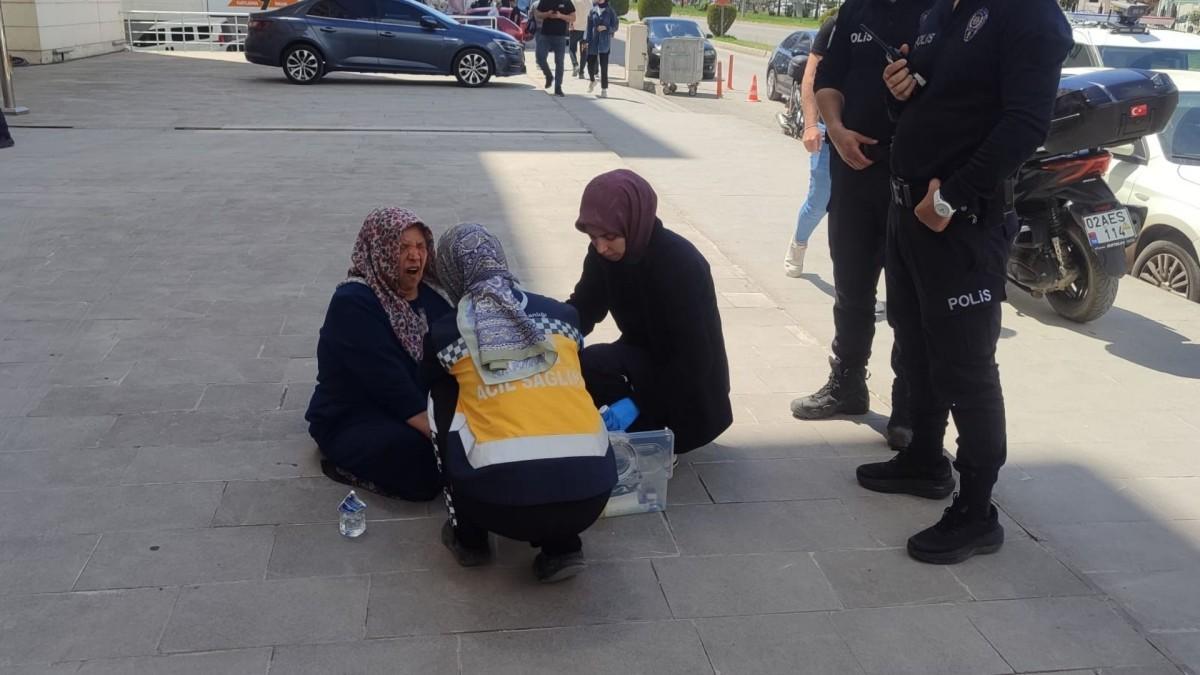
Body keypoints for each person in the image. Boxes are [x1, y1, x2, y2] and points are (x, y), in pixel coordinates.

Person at [859, 0, 1072, 564]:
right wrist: (894, 91)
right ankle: (925, 460)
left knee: (966, 367)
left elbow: (1026, 123)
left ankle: (977, 511)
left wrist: (951, 196)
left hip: (961, 222)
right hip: (909, 216)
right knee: (916, 343)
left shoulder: (1029, 14)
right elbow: (924, 110)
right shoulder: (939, 15)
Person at [426, 224, 616, 583]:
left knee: (441, 395)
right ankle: (563, 547)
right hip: (594, 493)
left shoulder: (448, 330)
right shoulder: (565, 316)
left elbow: (424, 379)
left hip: (499, 506)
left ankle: (469, 539)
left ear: (450, 271)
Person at [794, 0, 932, 448]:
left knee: (908, 298)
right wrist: (833, 127)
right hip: (852, 173)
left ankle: (907, 406)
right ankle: (847, 383)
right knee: (850, 285)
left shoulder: (938, 11)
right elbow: (828, 79)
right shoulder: (855, 9)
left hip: (910, 173)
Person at [569, 169, 733, 455]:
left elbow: (695, 360)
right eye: (593, 237)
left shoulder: (679, 264)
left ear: (634, 222)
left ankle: (654, 444)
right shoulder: (603, 253)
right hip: (647, 355)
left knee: (627, 393)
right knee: (588, 363)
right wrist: (549, 333)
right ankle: (636, 435)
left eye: (609, 236)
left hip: (691, 384)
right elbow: (584, 306)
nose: (601, 247)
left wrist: (640, 403)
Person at [305, 208, 453, 501]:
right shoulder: (354, 303)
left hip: (419, 403)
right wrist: (444, 437)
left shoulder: (432, 297)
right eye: (402, 247)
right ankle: (344, 465)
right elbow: (388, 381)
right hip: (354, 414)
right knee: (424, 464)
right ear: (381, 251)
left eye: (421, 246)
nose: (415, 256)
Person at [783, 13, 836, 277]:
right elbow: (810, 77)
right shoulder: (835, 25)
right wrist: (811, 125)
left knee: (861, 209)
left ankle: (859, 285)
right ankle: (799, 243)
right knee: (819, 202)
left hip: (869, 134)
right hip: (828, 133)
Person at [535, 0, 575, 96]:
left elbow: (573, 18)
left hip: (560, 36)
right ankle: (548, 76)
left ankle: (558, 87)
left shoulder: (566, 2)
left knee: (559, 62)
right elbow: (537, 14)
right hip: (545, 35)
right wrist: (547, 14)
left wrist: (560, 16)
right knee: (540, 57)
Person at [584, 0, 617, 97]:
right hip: (593, 41)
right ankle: (592, 80)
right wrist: (586, 41)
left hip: (604, 42)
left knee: (604, 67)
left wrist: (606, 28)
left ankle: (604, 89)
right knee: (590, 63)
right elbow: (589, 28)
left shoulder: (610, 11)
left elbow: (615, 26)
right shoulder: (593, 10)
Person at [570, 0, 592, 78]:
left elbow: (570, 13)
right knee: (584, 51)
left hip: (575, 29)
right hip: (585, 31)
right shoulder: (589, 2)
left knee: (572, 49)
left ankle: (575, 65)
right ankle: (581, 73)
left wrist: (570, 24)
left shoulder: (573, 1)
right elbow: (591, 16)